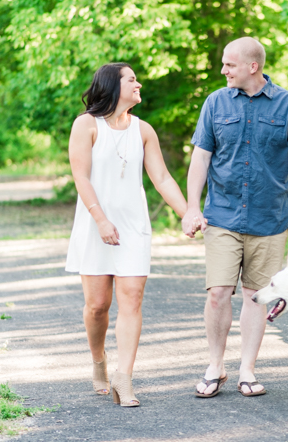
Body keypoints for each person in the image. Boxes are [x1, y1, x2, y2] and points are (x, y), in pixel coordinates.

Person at [182, 37, 288, 398]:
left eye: (229, 64)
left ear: (252, 67)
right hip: (222, 214)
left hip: (270, 217)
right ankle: (215, 366)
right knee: (218, 293)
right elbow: (201, 157)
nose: (223, 70)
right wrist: (192, 206)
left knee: (257, 295)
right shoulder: (215, 102)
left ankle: (247, 370)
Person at [66, 62, 195, 407]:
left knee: (132, 299)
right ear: (112, 86)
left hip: (133, 227)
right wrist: (101, 220)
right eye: (132, 79)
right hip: (96, 225)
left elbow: (163, 179)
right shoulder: (85, 125)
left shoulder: (143, 130)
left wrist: (188, 214)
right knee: (97, 306)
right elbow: (81, 178)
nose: (139, 84)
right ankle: (98, 361)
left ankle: (124, 376)